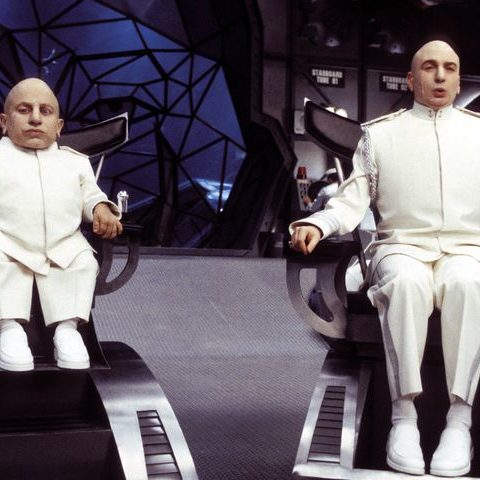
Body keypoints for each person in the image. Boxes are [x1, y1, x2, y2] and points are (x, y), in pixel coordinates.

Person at [290, 40, 479, 477]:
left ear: (458, 79)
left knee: (469, 283)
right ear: (411, 79)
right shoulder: (380, 135)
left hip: (468, 250)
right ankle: (403, 419)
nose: (440, 76)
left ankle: (459, 422)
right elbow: (349, 202)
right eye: (429, 67)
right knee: (406, 284)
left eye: (449, 68)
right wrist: (318, 223)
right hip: (401, 248)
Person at [0, 78, 122, 371]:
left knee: (83, 262)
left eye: (45, 111)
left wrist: (101, 208)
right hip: (8, 241)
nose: (35, 118)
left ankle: (67, 330)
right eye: (24, 110)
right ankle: (9, 329)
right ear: (4, 122)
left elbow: (91, 196)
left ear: (58, 126)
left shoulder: (74, 162)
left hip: (62, 244)